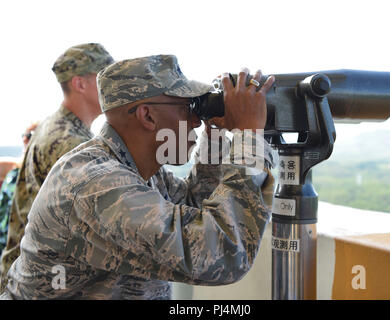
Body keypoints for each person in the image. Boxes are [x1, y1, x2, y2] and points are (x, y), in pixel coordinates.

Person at [1, 55, 276, 300]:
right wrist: (249, 136)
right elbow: (223, 255)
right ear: (147, 115)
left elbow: (195, 206)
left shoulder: (139, 171)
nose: (195, 120)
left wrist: (216, 134)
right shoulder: (96, 185)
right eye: (188, 107)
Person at [0, 43, 114, 291]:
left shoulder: (57, 126)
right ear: (80, 84)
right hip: (41, 283)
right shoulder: (70, 143)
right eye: (104, 77)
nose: (112, 86)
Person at [0, 123, 38, 255]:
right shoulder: (13, 174)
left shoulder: (34, 178)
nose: (24, 139)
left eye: (29, 136)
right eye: (24, 135)